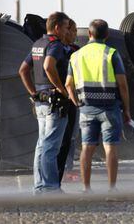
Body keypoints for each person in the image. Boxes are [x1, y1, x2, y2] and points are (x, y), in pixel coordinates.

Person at [65, 19, 131, 193]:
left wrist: (76, 102)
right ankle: (111, 188)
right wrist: (127, 109)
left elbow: (68, 84)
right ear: (107, 35)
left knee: (87, 147)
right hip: (110, 108)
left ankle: (87, 189)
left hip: (86, 108)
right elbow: (123, 85)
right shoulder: (111, 54)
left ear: (89, 34)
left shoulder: (76, 55)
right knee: (110, 147)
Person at [18, 12, 70, 193]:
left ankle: (39, 185)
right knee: (51, 146)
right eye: (65, 27)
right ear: (56, 27)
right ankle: (50, 187)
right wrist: (62, 90)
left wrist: (34, 93)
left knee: (41, 144)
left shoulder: (37, 44)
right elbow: (49, 66)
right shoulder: (55, 45)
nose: (66, 31)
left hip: (40, 101)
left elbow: (23, 70)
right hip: (54, 103)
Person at [58, 19, 80, 182]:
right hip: (61, 98)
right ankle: (63, 170)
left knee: (71, 136)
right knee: (60, 136)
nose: (75, 34)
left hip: (74, 98)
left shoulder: (76, 50)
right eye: (73, 31)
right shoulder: (56, 50)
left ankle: (68, 168)